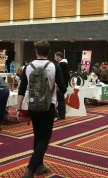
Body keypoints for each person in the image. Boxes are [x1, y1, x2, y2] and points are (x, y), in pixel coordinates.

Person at [16, 40, 67, 178]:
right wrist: (56, 86)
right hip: (47, 107)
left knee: (37, 136)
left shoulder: (28, 67)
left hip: (32, 106)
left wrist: (18, 108)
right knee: (44, 139)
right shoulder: (54, 66)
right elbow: (63, 88)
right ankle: (30, 170)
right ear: (49, 52)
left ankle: (39, 166)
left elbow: (21, 89)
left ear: (36, 51)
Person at [54, 52, 70, 121]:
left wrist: (61, 84)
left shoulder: (62, 64)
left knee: (60, 100)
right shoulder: (64, 64)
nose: (54, 58)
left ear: (59, 57)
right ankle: (61, 114)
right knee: (61, 100)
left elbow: (65, 76)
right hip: (62, 85)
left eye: (55, 56)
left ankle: (61, 115)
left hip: (60, 85)